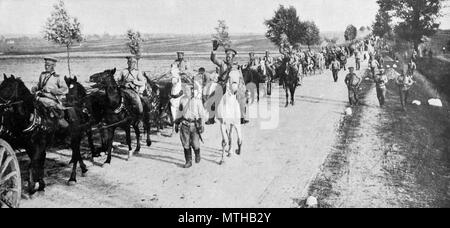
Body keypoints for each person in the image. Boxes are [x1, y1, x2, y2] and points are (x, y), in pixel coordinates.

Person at [210, 41, 248, 125]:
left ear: (233, 57)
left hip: (233, 85)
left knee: (241, 98)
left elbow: (240, 78)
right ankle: (211, 118)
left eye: (230, 56)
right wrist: (214, 50)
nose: (228, 58)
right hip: (223, 84)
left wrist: (243, 87)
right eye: (227, 56)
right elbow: (214, 59)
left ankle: (242, 117)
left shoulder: (237, 66)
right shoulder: (222, 64)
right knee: (213, 98)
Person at [175, 83, 207, 168]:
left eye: (188, 90)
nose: (186, 91)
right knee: (185, 144)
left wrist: (202, 125)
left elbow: (202, 115)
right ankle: (188, 161)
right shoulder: (182, 100)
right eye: (185, 90)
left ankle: (197, 154)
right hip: (184, 125)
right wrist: (176, 123)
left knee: (195, 144)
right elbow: (179, 112)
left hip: (194, 125)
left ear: (192, 91)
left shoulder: (197, 101)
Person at [34, 57, 69, 128]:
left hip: (52, 98)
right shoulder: (42, 75)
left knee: (48, 105)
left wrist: (56, 91)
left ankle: (60, 123)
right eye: (45, 65)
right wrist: (35, 88)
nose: (46, 67)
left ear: (53, 66)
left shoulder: (57, 76)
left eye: (48, 65)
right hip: (41, 96)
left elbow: (65, 89)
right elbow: (40, 85)